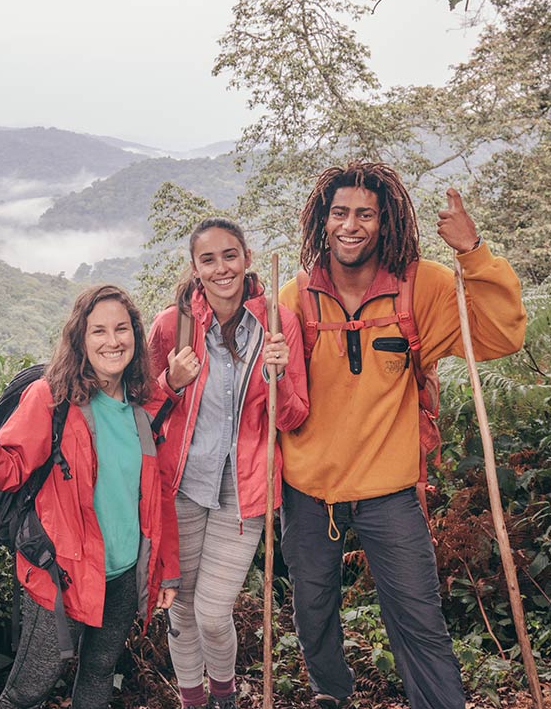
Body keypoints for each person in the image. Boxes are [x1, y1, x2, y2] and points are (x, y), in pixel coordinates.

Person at [277, 162, 527, 709]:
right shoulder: (294, 298)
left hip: (389, 491)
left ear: (385, 222)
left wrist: (473, 252)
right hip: (307, 489)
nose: (350, 225)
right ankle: (331, 695)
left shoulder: (422, 288)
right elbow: (272, 397)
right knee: (313, 614)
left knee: (418, 618)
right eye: (339, 213)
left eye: (365, 214)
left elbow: (501, 335)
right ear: (322, 220)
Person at [0, 284, 183, 709]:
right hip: (61, 571)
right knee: (29, 690)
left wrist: (166, 570)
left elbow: (159, 495)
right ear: (80, 338)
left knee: (99, 673)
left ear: (136, 335)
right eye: (99, 331)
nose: (112, 341)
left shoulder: (143, 403)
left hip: (123, 573)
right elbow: (6, 471)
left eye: (121, 329)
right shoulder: (51, 397)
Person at [146, 218, 310, 709]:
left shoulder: (278, 324)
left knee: (214, 614)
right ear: (195, 268)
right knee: (181, 610)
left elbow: (294, 417)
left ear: (247, 258)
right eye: (209, 259)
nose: (221, 268)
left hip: (245, 492)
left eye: (230, 255)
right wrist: (171, 382)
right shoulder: (171, 326)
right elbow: (143, 412)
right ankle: (193, 700)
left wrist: (279, 375)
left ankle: (225, 696)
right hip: (181, 486)